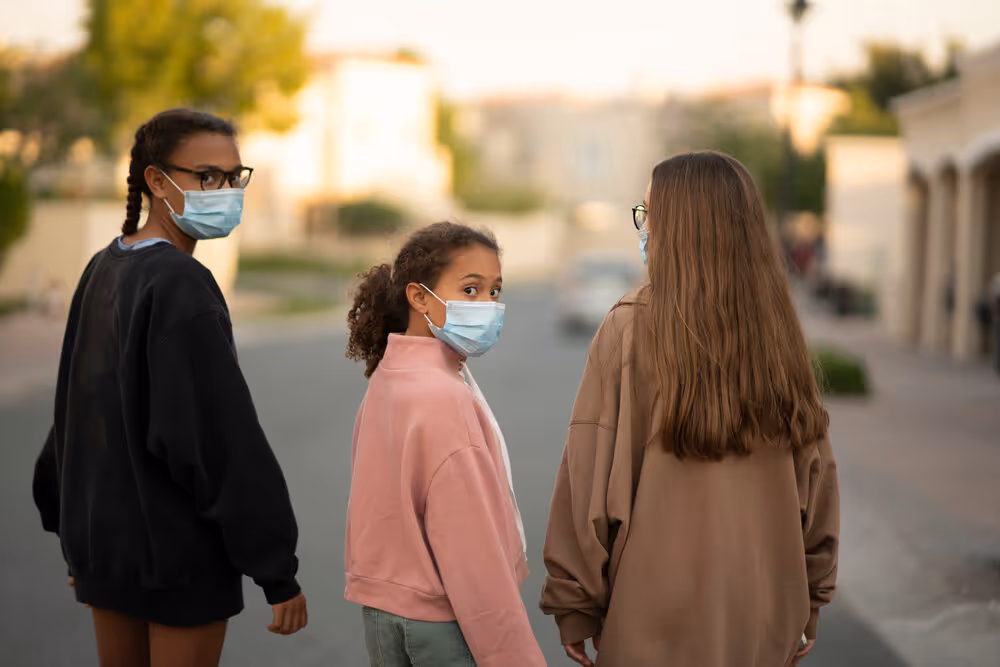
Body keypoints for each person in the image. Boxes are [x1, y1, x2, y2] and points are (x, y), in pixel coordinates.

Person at [540, 151, 840, 667]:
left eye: (649, 213)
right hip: (763, 623)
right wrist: (809, 600)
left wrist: (576, 606)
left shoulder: (629, 327)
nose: (644, 228)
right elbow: (816, 483)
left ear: (679, 227)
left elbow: (588, 481)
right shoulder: (778, 333)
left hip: (650, 625)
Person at [32, 109, 307, 667]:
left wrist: (74, 536)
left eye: (233, 177)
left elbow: (74, 417)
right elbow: (218, 440)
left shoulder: (104, 266)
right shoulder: (181, 282)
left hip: (106, 553)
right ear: (157, 181)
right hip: (178, 558)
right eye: (206, 176)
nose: (226, 191)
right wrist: (276, 571)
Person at [344, 222, 545, 667]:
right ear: (419, 297)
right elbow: (472, 551)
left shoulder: (388, 377)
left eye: (494, 291)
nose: (488, 305)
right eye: (470, 290)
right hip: (443, 624)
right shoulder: (444, 396)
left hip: (383, 615)